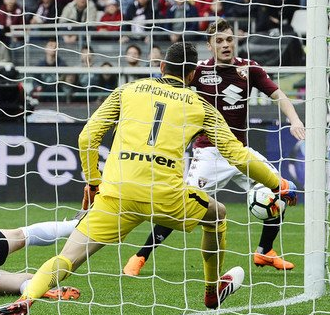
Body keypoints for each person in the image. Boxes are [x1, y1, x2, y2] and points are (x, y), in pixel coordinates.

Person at [0, 41, 297, 315]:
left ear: (162, 66)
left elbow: (87, 137)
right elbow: (237, 155)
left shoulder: (127, 90)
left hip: (117, 194)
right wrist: (277, 184)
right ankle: (212, 289)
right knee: (217, 215)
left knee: (68, 257)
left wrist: (93, 183)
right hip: (165, 196)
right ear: (192, 75)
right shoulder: (202, 106)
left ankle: (26, 299)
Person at [123, 18, 304, 277]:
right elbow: (170, 91)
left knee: (280, 190)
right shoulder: (198, 72)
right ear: (210, 45)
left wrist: (295, 120)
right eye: (219, 41)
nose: (225, 44)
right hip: (210, 152)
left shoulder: (249, 69)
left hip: (240, 152)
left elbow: (278, 95)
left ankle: (265, 251)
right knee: (181, 206)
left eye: (229, 39)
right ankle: (141, 256)